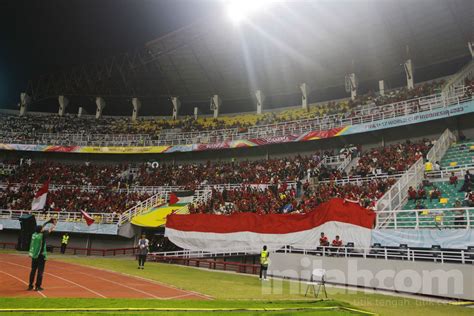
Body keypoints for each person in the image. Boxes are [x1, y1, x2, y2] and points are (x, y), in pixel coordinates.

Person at [28, 218, 56, 291]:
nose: (43, 229)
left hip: (34, 255)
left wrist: (45, 224)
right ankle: (38, 286)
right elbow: (49, 230)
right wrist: (54, 225)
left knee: (33, 271)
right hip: (41, 255)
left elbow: (42, 228)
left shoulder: (34, 235)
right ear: (41, 230)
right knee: (40, 272)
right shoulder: (42, 236)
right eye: (42, 229)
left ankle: (30, 285)